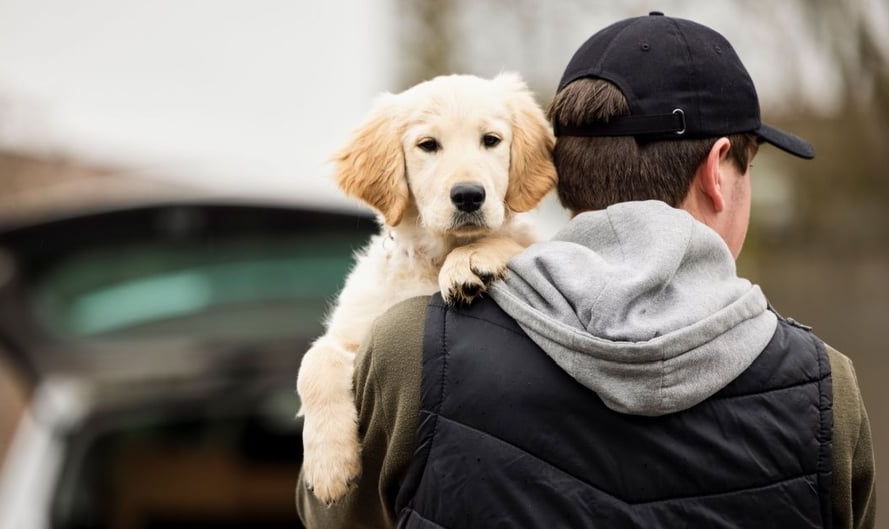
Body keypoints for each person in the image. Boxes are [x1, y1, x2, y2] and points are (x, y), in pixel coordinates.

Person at [297, 12, 876, 529]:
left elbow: (334, 514)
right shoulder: (826, 388)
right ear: (719, 171)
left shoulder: (408, 348)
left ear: (554, 171)